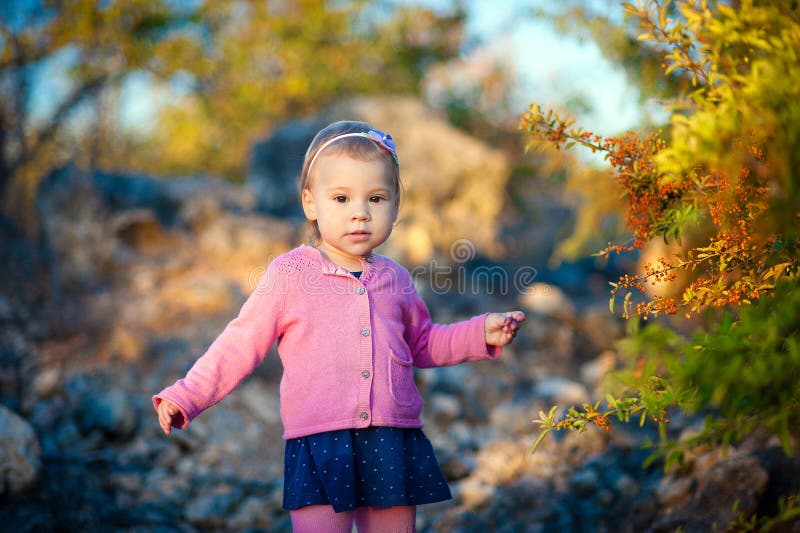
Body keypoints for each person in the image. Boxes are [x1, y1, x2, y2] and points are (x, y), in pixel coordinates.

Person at [154, 120, 526, 532]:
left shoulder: (396, 279)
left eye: (376, 198)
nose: (360, 213)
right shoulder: (290, 274)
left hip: (391, 440)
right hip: (319, 443)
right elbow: (240, 343)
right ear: (311, 204)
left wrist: (479, 333)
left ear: (396, 207)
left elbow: (421, 343)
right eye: (342, 198)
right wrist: (186, 395)